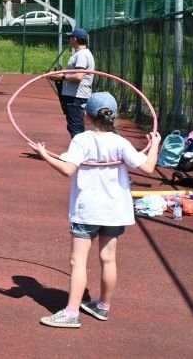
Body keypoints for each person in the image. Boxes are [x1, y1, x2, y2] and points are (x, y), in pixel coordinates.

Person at [28, 92, 161, 329]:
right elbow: (149, 167)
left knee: (77, 261)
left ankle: (71, 313)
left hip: (88, 209)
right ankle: (103, 306)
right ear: (113, 115)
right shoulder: (120, 142)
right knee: (108, 258)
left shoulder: (82, 140)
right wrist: (155, 144)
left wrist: (45, 155)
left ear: (86, 115)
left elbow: (68, 169)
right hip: (114, 210)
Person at [50, 28, 95, 137]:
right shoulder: (82, 54)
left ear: (74, 39)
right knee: (75, 126)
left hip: (76, 96)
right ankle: (81, 151)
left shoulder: (81, 55)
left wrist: (62, 77)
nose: (69, 40)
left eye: (70, 37)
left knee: (75, 127)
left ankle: (79, 152)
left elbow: (78, 76)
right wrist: (58, 77)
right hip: (76, 95)